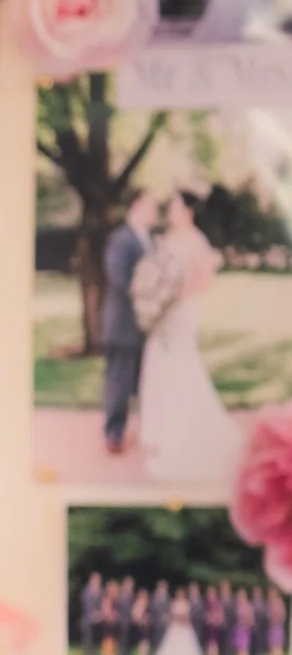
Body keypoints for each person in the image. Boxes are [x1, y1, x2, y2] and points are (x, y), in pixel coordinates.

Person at [138, 193, 245, 485]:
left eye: (174, 206)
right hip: (163, 313)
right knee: (160, 369)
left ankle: (184, 436)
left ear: (187, 211)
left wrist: (179, 296)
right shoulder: (169, 238)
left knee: (180, 370)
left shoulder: (195, 240)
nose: (170, 211)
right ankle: (163, 432)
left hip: (181, 314)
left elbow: (206, 280)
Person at [103, 190, 159, 455]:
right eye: (150, 205)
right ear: (135, 206)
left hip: (144, 325)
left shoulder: (149, 240)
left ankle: (143, 429)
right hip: (123, 324)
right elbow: (118, 279)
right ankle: (114, 434)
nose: (155, 210)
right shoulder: (121, 240)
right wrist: (146, 296)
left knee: (142, 381)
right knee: (119, 382)